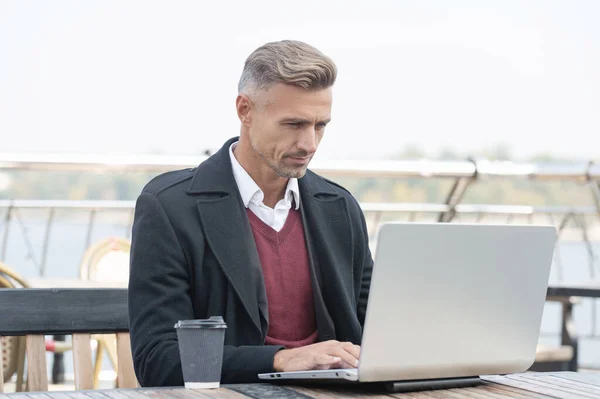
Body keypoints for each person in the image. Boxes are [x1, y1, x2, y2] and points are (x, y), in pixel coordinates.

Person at [128, 40, 373, 386]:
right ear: (245, 110)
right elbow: (157, 359)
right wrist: (281, 360)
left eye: (320, 125)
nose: (309, 144)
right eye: (293, 124)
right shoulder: (169, 208)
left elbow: (376, 336)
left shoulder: (341, 208)